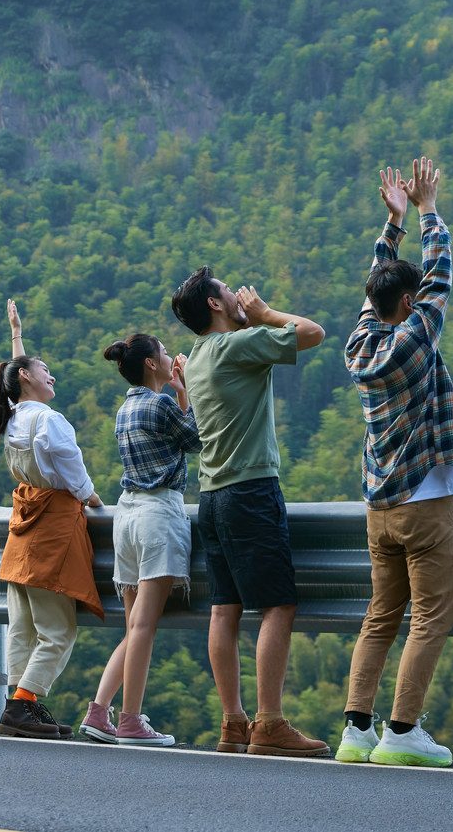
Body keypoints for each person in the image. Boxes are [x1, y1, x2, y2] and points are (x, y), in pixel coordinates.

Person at [335, 157, 453, 767]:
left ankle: (356, 731)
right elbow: (441, 273)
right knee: (428, 618)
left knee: (380, 617)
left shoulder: (360, 344)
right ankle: (401, 733)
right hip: (426, 504)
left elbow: (378, 288)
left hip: (379, 508)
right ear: (409, 300)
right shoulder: (415, 337)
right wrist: (426, 210)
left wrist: (390, 225)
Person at [169, 264, 328, 757]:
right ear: (215, 305)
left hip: (211, 499)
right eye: (229, 294)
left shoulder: (196, 359)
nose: (239, 297)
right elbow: (311, 333)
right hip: (250, 492)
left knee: (224, 609)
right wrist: (263, 313)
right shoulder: (237, 346)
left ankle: (233, 722)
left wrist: (249, 320)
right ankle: (270, 723)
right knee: (278, 604)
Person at [77, 333, 200, 747]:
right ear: (151, 364)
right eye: (164, 353)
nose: (169, 357)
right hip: (156, 515)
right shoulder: (161, 403)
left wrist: (177, 392)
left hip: (125, 517)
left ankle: (99, 710)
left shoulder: (125, 408)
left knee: (133, 626)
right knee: (145, 626)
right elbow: (196, 440)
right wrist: (186, 391)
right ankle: (130, 720)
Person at [0, 298, 104, 739]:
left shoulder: (14, 417)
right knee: (58, 630)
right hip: (53, 528)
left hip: (22, 531)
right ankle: (23, 705)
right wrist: (91, 496)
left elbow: (14, 377)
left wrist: (17, 333)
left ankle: (18, 704)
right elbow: (71, 468)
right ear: (25, 377)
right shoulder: (50, 421)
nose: (51, 376)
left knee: (22, 629)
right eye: (44, 371)